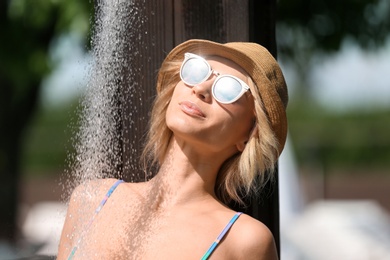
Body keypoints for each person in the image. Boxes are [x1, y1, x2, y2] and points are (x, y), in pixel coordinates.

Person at [57, 39, 288, 259]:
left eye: (228, 88)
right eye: (197, 70)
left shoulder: (244, 241)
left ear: (250, 133)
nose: (200, 88)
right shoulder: (92, 200)